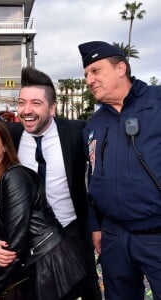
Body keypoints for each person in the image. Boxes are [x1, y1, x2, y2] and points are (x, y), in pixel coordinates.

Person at [0, 66, 101, 300]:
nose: (26, 111)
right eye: (22, 103)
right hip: (25, 239)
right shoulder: (9, 136)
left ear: (52, 108)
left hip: (72, 233)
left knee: (85, 293)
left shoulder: (76, 132)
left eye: (36, 103)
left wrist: (97, 225)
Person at [78, 40, 161, 300]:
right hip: (113, 237)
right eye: (86, 75)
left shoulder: (156, 102)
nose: (89, 80)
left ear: (121, 69)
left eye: (95, 71)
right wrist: (95, 226)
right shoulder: (93, 125)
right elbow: (91, 179)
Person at [0, 119, 86, 300]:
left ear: (5, 147)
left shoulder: (14, 177)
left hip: (49, 269)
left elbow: (15, 242)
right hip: (27, 269)